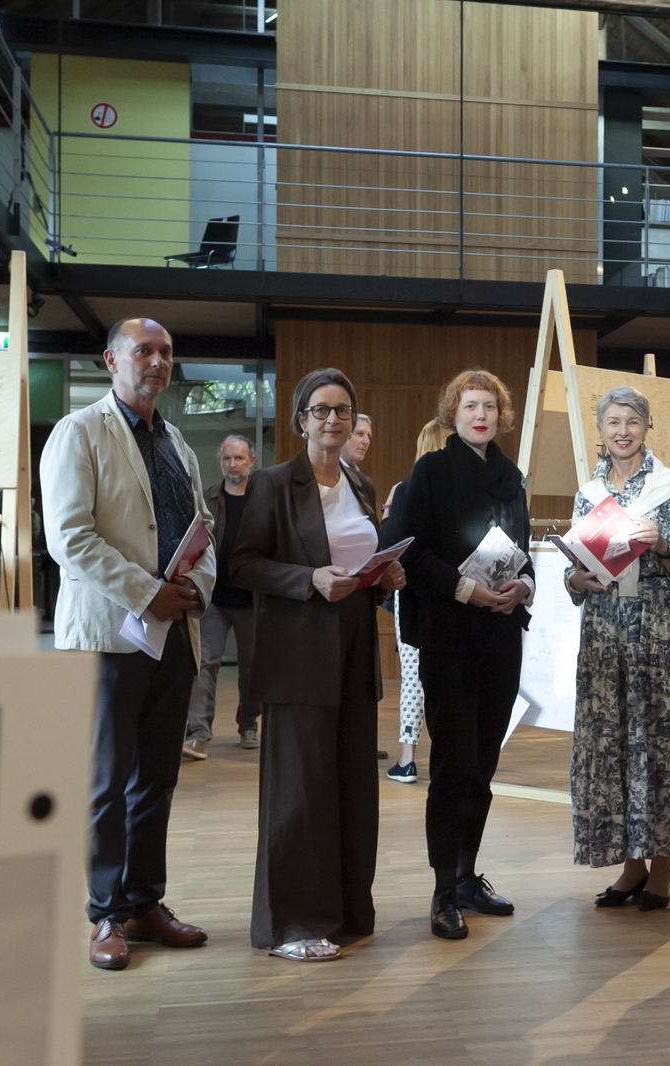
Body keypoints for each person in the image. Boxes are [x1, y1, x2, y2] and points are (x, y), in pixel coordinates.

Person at [41, 317, 215, 972]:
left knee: (157, 779)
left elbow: (202, 529)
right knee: (106, 781)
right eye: (144, 350)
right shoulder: (79, 432)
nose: (158, 361)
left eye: (166, 351)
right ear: (111, 360)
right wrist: (147, 593)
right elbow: (70, 538)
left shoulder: (177, 443)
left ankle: (144, 902)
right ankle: (106, 912)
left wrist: (196, 586)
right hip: (108, 635)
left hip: (173, 635)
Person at [229, 368, 404, 962]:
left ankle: (346, 912)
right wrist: (308, 579)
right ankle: (292, 924)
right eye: (321, 409)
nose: (333, 419)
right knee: (299, 793)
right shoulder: (273, 483)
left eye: (343, 410)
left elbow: (358, 560)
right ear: (301, 419)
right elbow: (243, 565)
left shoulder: (361, 484)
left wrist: (384, 575)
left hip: (354, 651)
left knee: (351, 788)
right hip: (299, 654)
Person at [388, 369, 533, 940]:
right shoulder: (431, 471)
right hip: (449, 635)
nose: (481, 415)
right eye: (471, 406)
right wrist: (464, 588)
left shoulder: (511, 478)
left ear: (501, 416)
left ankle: (469, 876)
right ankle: (444, 889)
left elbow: (522, 554)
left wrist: (524, 587)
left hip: (501, 636)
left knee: (483, 766)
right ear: (454, 413)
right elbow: (406, 550)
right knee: (452, 767)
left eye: (490, 407)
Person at [566, 386, 670, 911]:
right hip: (603, 626)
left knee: (657, 737)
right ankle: (630, 865)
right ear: (600, 431)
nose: (622, 431)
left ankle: (662, 866)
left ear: (648, 427)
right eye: (613, 422)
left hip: (653, 625)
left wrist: (663, 544)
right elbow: (576, 569)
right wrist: (575, 580)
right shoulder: (589, 492)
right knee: (611, 739)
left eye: (632, 421)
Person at [183, 434, 260, 760]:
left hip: (253, 599)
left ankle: (248, 725)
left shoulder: (263, 498)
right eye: (227, 458)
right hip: (214, 597)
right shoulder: (208, 498)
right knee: (204, 663)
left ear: (251, 461)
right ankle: (198, 734)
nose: (232, 464)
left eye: (239, 458)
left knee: (252, 668)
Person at [383, 418, 443, 784]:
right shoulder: (462, 492)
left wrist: (388, 510)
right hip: (458, 594)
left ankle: (407, 759)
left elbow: (388, 543)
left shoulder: (405, 490)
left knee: (412, 677)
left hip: (412, 595)